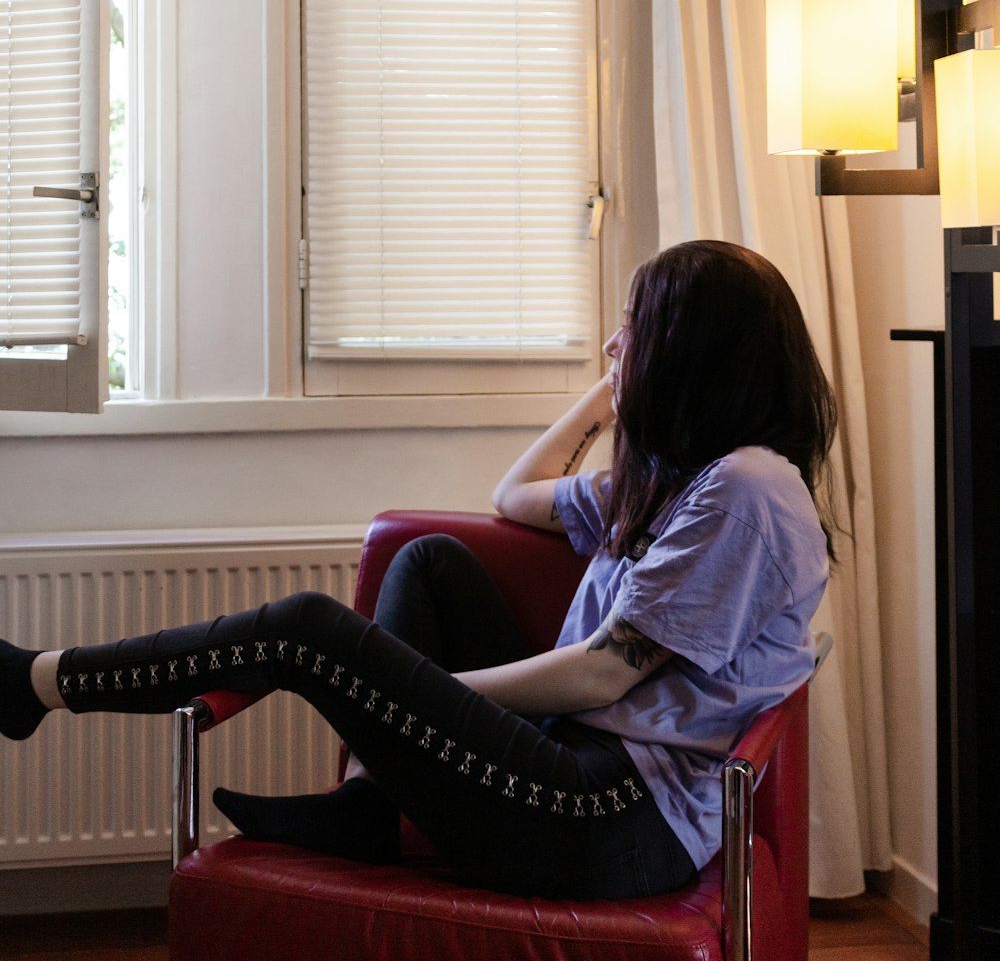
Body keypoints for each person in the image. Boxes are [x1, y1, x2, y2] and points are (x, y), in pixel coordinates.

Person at [0, 240, 835, 900]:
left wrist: (419, 693)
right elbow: (516, 495)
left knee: (307, 631)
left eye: (634, 330)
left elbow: (599, 679)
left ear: (691, 353)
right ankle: (372, 804)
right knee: (429, 563)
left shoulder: (748, 488)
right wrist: (608, 392)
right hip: (573, 772)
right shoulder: (681, 479)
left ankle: (36, 684)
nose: (614, 344)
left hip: (608, 819)